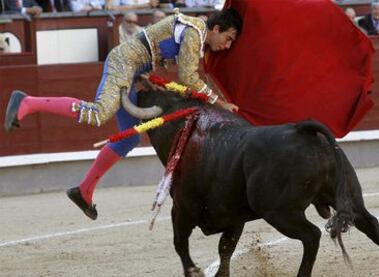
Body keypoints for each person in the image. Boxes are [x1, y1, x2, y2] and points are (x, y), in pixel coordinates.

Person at [4, 8, 243, 220]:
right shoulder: (196, 31)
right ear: (217, 28)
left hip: (133, 68)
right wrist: (218, 102)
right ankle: (28, 102)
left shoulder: (197, 31)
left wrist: (143, 74)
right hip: (124, 64)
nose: (228, 45)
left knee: (129, 138)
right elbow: (188, 76)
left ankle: (84, 190)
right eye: (228, 38)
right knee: (98, 114)